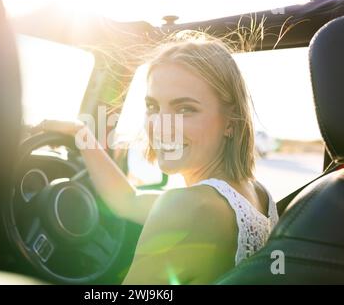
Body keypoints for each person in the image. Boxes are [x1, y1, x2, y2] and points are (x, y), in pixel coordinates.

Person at [33, 36, 279, 284]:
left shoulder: (190, 207)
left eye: (185, 109)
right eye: (152, 106)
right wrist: (81, 135)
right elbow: (127, 201)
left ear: (230, 121)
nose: (161, 127)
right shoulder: (258, 194)